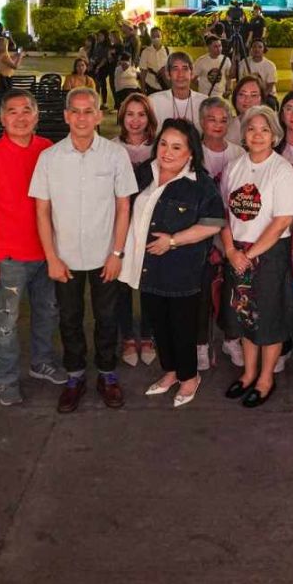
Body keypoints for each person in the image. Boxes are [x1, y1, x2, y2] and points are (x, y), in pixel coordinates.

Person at [30, 89, 138, 413]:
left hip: (105, 256)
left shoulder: (115, 155)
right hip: (64, 258)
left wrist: (117, 254)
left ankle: (107, 373)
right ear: (66, 116)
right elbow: (42, 212)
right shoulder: (49, 158)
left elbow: (123, 207)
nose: (81, 118)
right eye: (75, 111)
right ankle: (75, 375)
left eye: (88, 111)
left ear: (98, 115)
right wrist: (51, 256)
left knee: (107, 318)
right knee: (70, 318)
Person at [118, 118, 227, 406]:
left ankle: (189, 377)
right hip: (147, 268)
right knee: (158, 326)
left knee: (182, 327)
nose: (167, 152)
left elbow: (213, 224)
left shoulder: (199, 184)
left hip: (182, 271)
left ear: (190, 153)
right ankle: (170, 372)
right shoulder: (145, 173)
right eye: (163, 144)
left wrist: (174, 240)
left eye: (176, 147)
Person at [0, 89, 61, 406]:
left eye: (27, 110)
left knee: (47, 313)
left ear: (37, 116)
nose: (20, 117)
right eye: (13, 111)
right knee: (6, 322)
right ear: (2, 117)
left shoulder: (48, 150)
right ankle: (7, 378)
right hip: (9, 255)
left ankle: (42, 363)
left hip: (48, 252)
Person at [217, 105, 293, 407]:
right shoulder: (234, 167)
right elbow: (223, 214)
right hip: (237, 251)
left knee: (270, 317)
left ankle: (266, 377)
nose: (257, 135)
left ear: (274, 135)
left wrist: (249, 254)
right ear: (244, 134)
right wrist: (230, 251)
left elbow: (282, 220)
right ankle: (248, 372)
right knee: (243, 317)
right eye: (251, 129)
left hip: (268, 253)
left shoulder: (282, 170)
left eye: (264, 130)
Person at [147, 51, 208, 127]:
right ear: (168, 74)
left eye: (185, 69)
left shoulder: (205, 103)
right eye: (175, 69)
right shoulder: (153, 101)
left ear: (192, 73)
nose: (180, 74)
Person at [197, 97, 239, 183]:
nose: (218, 125)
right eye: (212, 120)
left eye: (223, 121)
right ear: (202, 122)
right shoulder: (193, 151)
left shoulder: (239, 152)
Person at [115, 92, 158, 168]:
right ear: (123, 116)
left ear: (149, 118)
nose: (135, 120)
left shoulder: (159, 146)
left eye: (141, 114)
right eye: (130, 114)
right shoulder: (112, 147)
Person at [226, 76, 268, 150]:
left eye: (253, 95)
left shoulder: (271, 126)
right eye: (242, 94)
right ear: (235, 97)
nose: (247, 100)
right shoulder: (226, 127)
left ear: (261, 99)